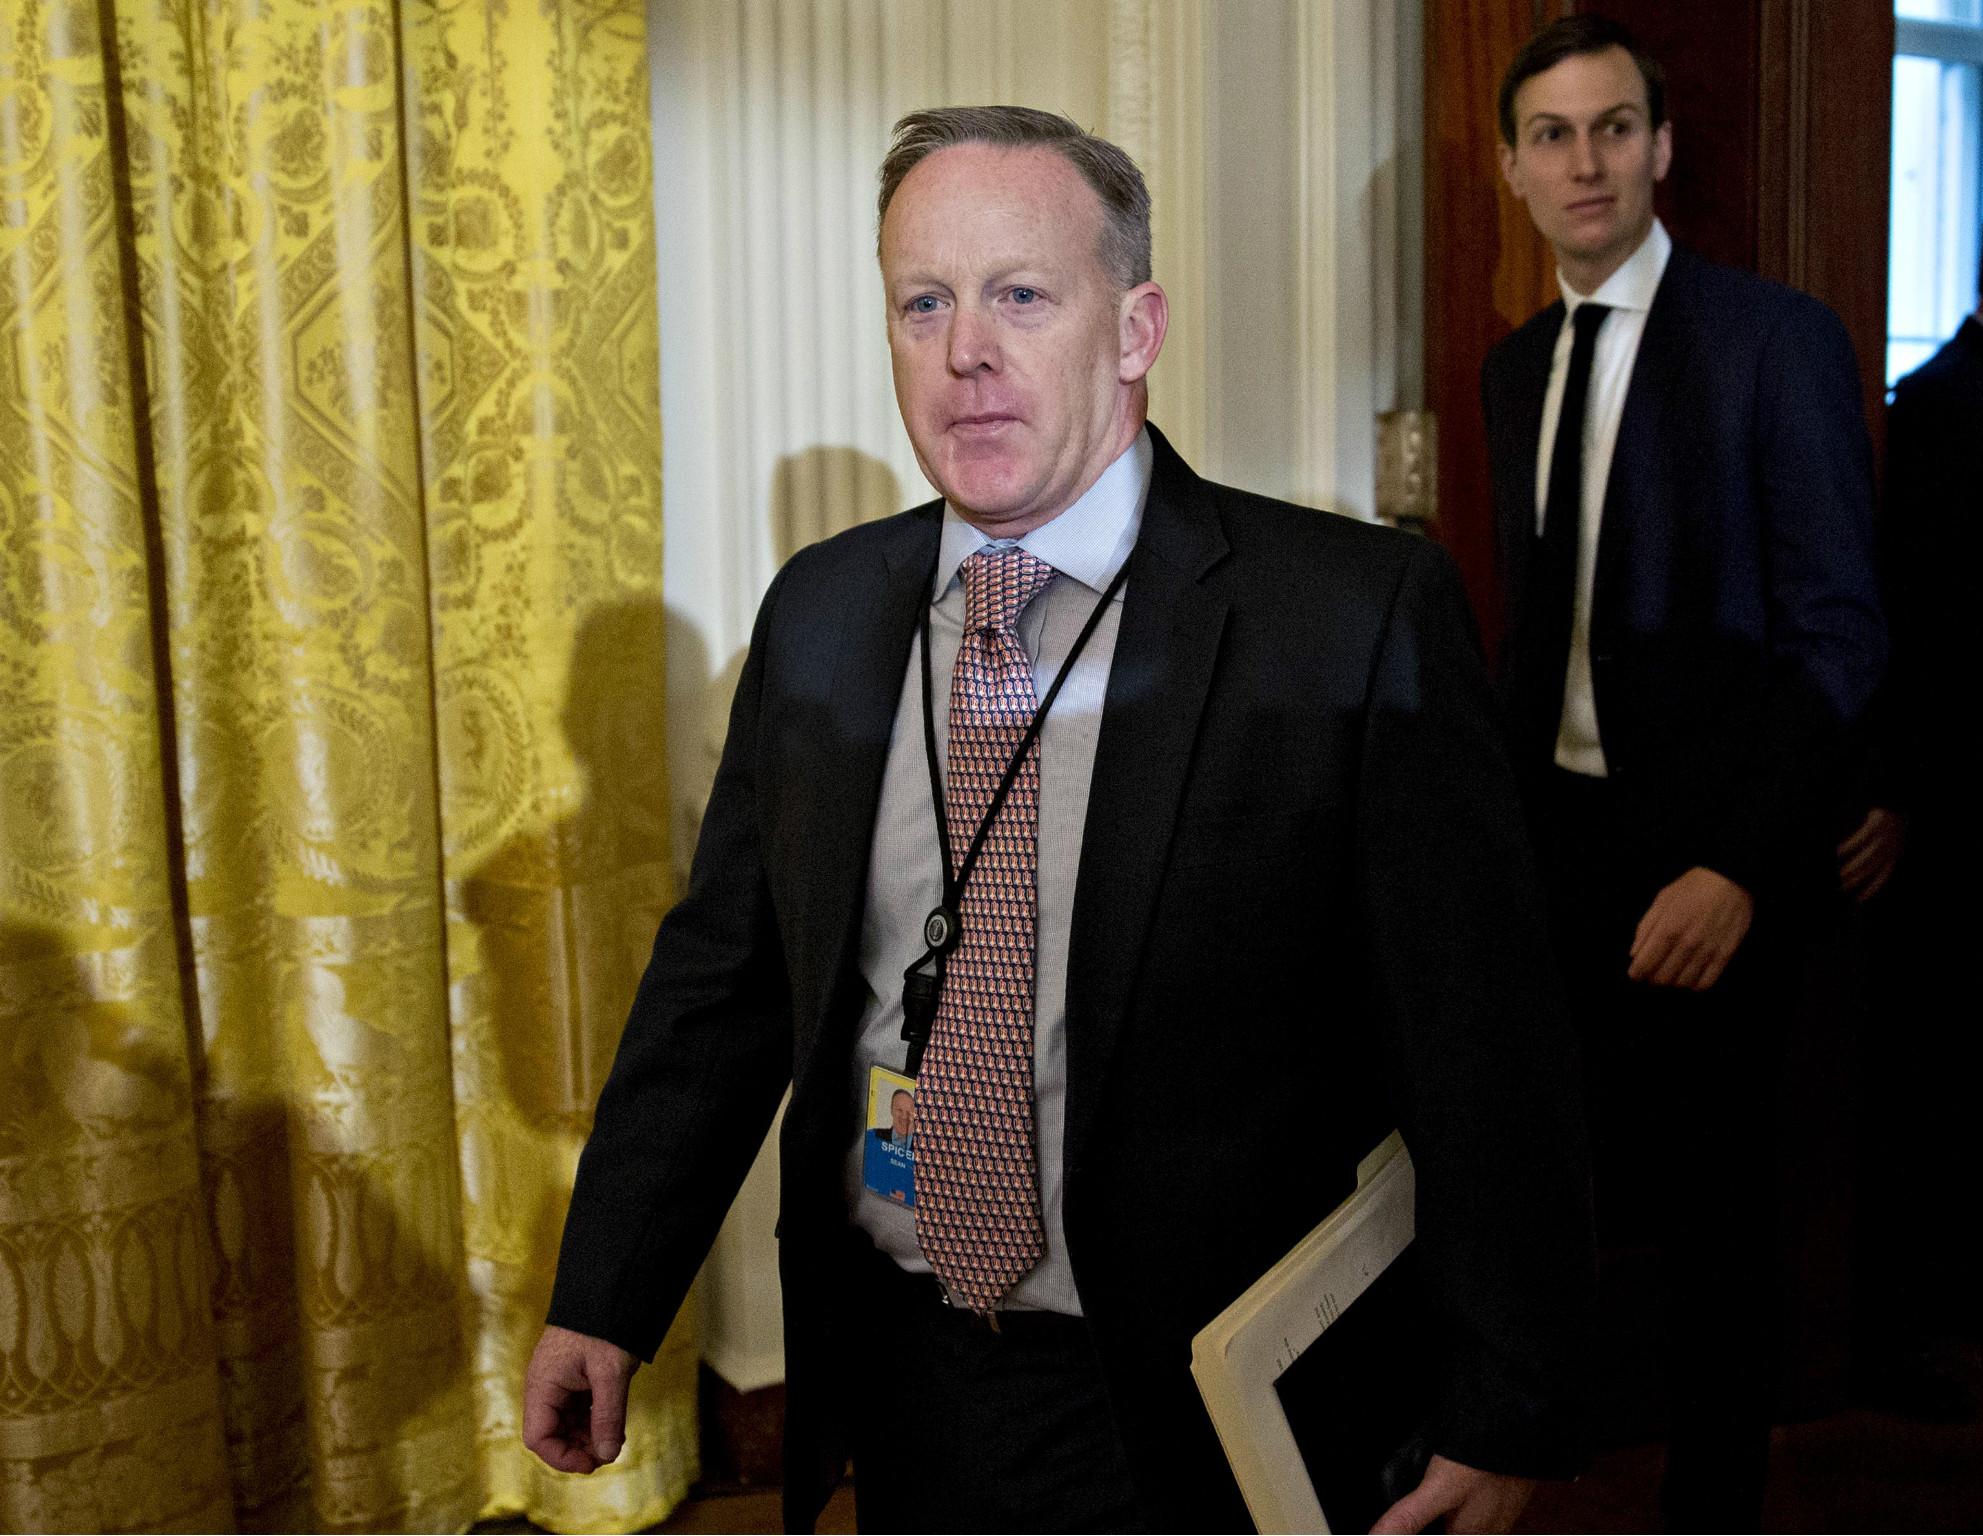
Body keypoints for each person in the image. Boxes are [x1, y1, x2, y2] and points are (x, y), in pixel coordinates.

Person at [525, 105, 1594, 1533]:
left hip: (1200, 1405)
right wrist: (606, 1290)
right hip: (901, 1375)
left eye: (1022, 294)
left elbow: (1487, 1052)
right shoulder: (825, 617)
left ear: (1136, 328)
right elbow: (727, 981)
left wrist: (1503, 1399)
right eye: (924, 301)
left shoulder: (1344, 621)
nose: (967, 350)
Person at [1481, 17, 1885, 1530]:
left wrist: (1734, 865)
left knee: (1725, 1227)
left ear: (1661, 146)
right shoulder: (1515, 369)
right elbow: (1534, 636)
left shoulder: (1773, 341)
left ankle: (1712, 1511)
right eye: (1553, 135)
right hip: (1559, 847)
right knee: (1546, 1191)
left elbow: (1838, 635)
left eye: (1613, 128)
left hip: (1721, 859)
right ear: (1517, 168)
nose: (1585, 161)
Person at [1847, 173, 1983, 1389]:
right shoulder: (1944, 406)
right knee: (1943, 1057)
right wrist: (1901, 790)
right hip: (1955, 809)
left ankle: (1973, 1277)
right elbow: (1919, 623)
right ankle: (1912, 1305)